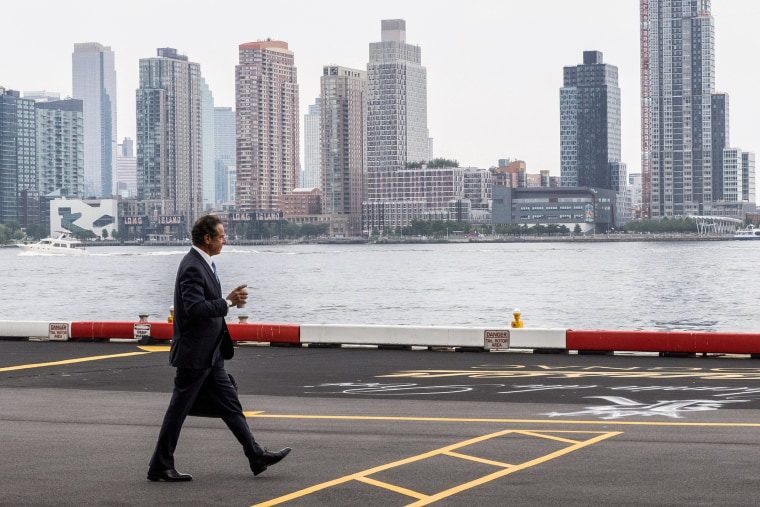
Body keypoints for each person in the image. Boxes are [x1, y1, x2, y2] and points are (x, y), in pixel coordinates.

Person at [148, 214, 291, 482]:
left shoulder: (206, 264)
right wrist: (228, 303)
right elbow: (194, 308)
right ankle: (160, 465)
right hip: (194, 354)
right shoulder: (192, 266)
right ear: (207, 238)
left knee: (231, 405)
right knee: (177, 412)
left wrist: (227, 303)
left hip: (211, 354)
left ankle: (255, 454)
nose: (225, 239)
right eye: (222, 235)